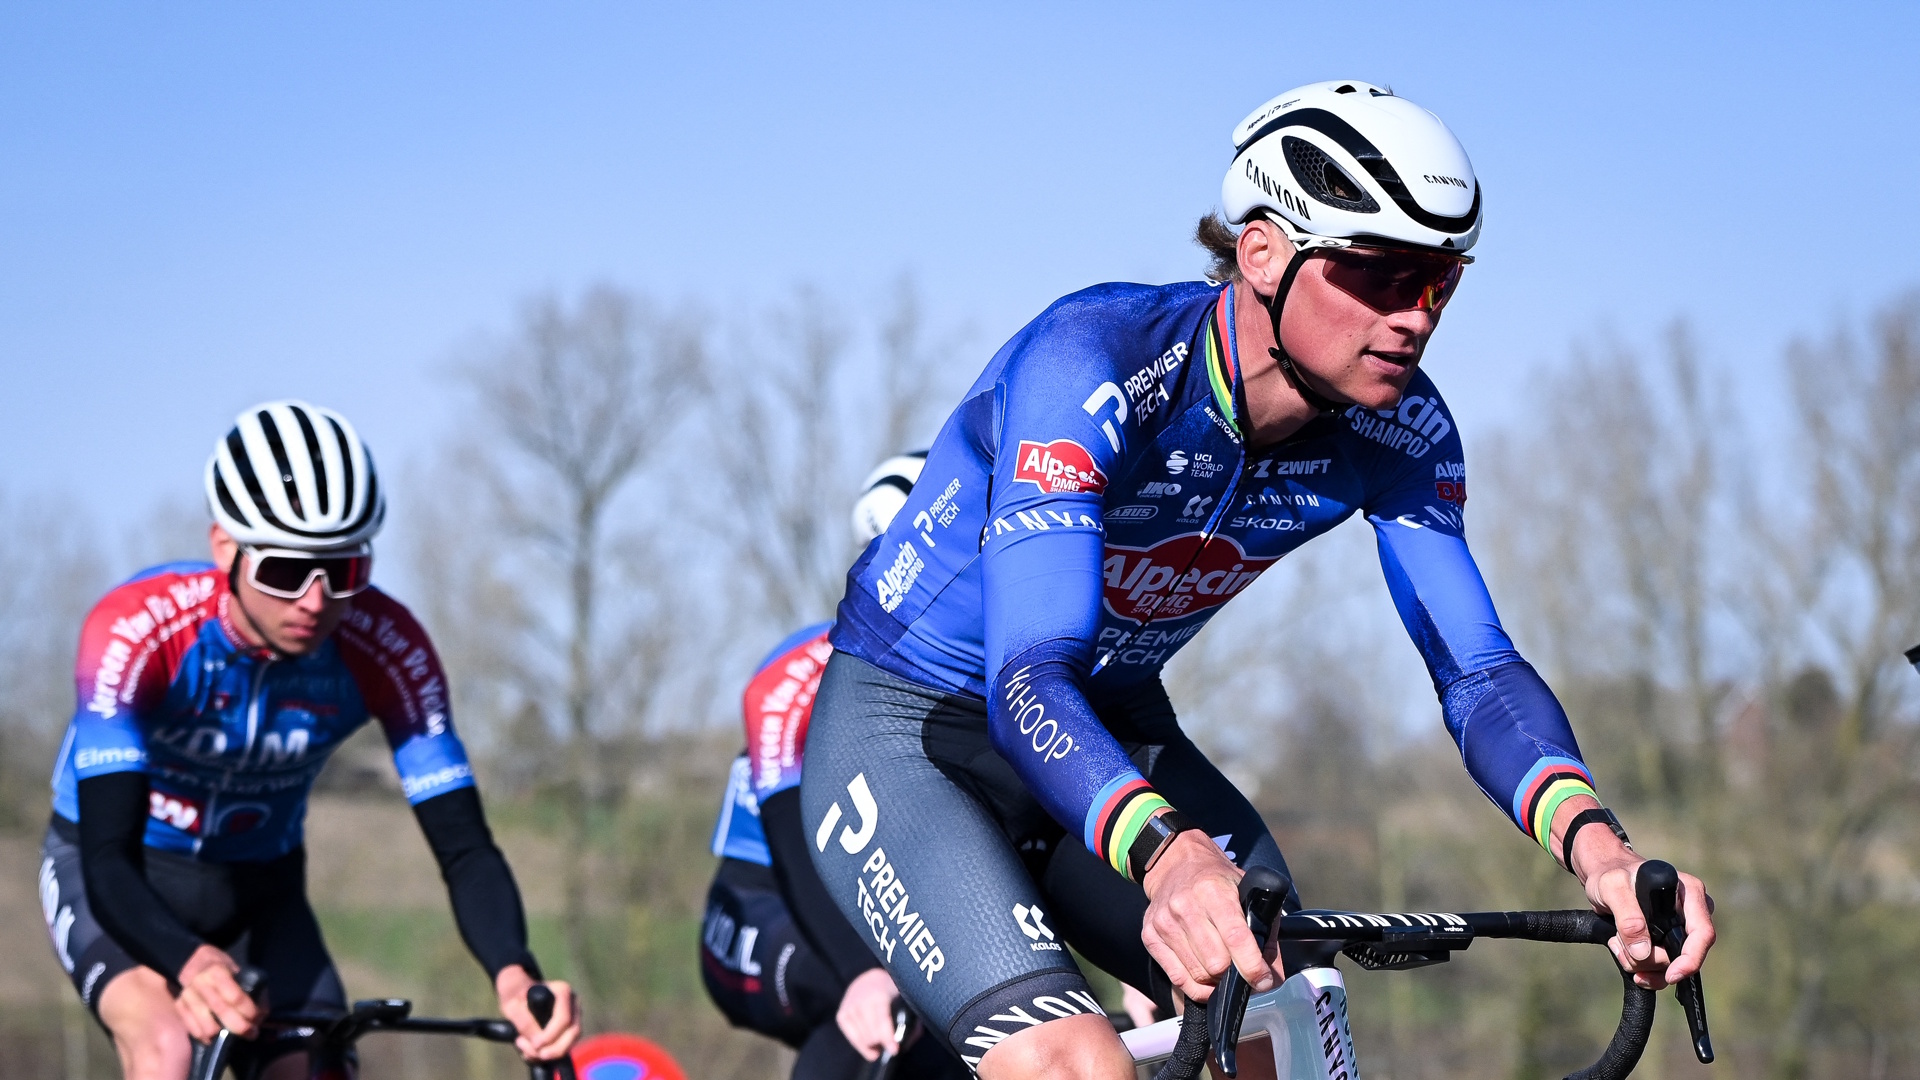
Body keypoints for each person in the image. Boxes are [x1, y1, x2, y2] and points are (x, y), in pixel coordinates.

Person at [799, 81, 1717, 1079]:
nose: (1414, 319)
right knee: (1076, 1063)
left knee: (1291, 1000)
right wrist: (1168, 852)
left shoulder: (1399, 428)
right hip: (915, 730)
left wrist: (1604, 854)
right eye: (1378, 275)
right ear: (1264, 252)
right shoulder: (1093, 366)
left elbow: (1480, 673)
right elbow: (1028, 679)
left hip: (1108, 723)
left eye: (1439, 285)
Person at [38, 400, 579, 1080]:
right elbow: (109, 857)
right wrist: (186, 961)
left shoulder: (386, 647)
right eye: (287, 572)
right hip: (122, 878)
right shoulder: (138, 633)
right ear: (225, 549)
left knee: (314, 1070)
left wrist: (513, 972)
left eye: (345, 571)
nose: (317, 602)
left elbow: (465, 848)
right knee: (165, 1048)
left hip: (262, 888)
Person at [700, 454, 970, 1079]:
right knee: (871, 1004)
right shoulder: (791, 677)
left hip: (887, 917)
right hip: (766, 903)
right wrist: (864, 974)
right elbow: (796, 847)